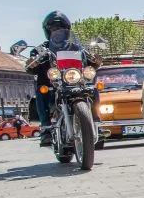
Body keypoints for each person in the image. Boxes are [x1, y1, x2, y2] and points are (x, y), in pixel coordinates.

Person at [27, 11, 101, 146]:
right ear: (48, 31)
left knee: (93, 86)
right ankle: (46, 128)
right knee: (41, 90)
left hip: (75, 81)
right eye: (54, 29)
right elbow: (30, 66)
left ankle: (96, 122)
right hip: (53, 85)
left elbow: (91, 61)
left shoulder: (78, 48)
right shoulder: (42, 49)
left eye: (61, 28)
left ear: (67, 30)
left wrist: (96, 60)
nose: (58, 32)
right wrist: (33, 61)